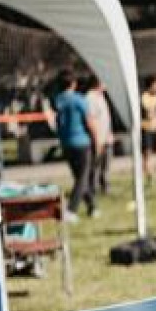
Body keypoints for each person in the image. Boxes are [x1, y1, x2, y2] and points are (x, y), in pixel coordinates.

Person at [54, 70, 97, 221]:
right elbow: (89, 121)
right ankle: (72, 209)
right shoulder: (79, 99)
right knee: (82, 177)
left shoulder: (58, 100)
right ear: (73, 83)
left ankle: (92, 206)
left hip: (66, 143)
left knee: (79, 176)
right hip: (81, 142)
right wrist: (96, 139)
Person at [85, 75, 114, 198]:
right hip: (97, 138)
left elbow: (105, 118)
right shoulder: (90, 98)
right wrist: (97, 139)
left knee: (105, 164)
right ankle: (93, 189)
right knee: (95, 165)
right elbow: (91, 119)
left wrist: (109, 133)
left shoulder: (101, 97)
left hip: (105, 137)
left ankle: (105, 186)